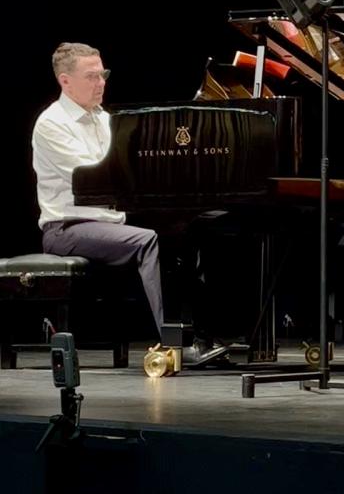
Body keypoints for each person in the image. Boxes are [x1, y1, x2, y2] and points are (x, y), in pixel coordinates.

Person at [31, 41, 227, 367]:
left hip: (109, 222)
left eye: (103, 74)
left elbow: (128, 165)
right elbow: (95, 176)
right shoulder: (51, 123)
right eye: (91, 76)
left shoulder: (104, 119)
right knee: (147, 239)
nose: (101, 83)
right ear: (65, 81)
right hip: (66, 228)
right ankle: (176, 342)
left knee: (192, 229)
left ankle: (205, 333)